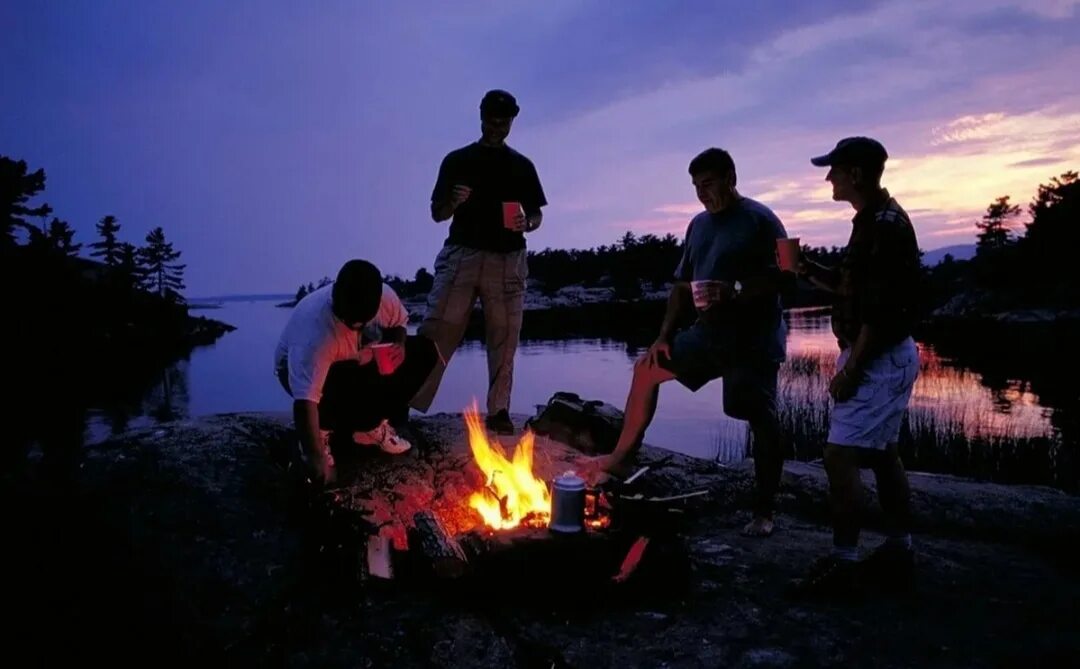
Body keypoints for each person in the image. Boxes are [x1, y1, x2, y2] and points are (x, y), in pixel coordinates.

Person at [583, 147, 789, 537]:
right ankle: (622, 459)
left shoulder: (762, 220)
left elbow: (788, 276)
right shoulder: (698, 225)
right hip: (707, 336)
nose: (701, 193)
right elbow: (681, 287)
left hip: (754, 340)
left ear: (730, 178)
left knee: (757, 415)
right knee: (646, 371)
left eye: (707, 184)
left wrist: (737, 289)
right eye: (695, 186)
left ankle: (764, 511)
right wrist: (662, 337)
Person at [789, 137, 921, 597]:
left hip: (878, 358)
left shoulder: (883, 227)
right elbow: (855, 291)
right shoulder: (872, 221)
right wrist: (805, 268)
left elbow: (879, 313)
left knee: (839, 456)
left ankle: (844, 565)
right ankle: (899, 550)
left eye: (835, 170)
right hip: (887, 355)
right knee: (883, 454)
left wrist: (851, 370)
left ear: (857, 175)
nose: (829, 177)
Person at [410, 89, 548, 435]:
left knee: (504, 336)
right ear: (481, 117)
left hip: (508, 259)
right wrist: (453, 203)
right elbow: (436, 214)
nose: (498, 127)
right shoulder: (457, 161)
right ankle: (405, 400)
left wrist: (526, 223)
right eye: (492, 120)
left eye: (505, 122)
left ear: (512, 122)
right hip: (462, 255)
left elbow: (536, 215)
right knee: (438, 328)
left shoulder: (522, 165)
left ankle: (499, 410)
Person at [274, 259, 438, 485]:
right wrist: (316, 459)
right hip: (321, 377)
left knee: (424, 351)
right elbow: (305, 403)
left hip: (358, 364)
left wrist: (398, 344)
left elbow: (399, 322)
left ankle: (369, 427)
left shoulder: (384, 298)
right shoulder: (314, 335)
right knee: (327, 391)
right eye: (351, 322)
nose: (357, 328)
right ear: (336, 296)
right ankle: (322, 431)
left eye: (364, 322)